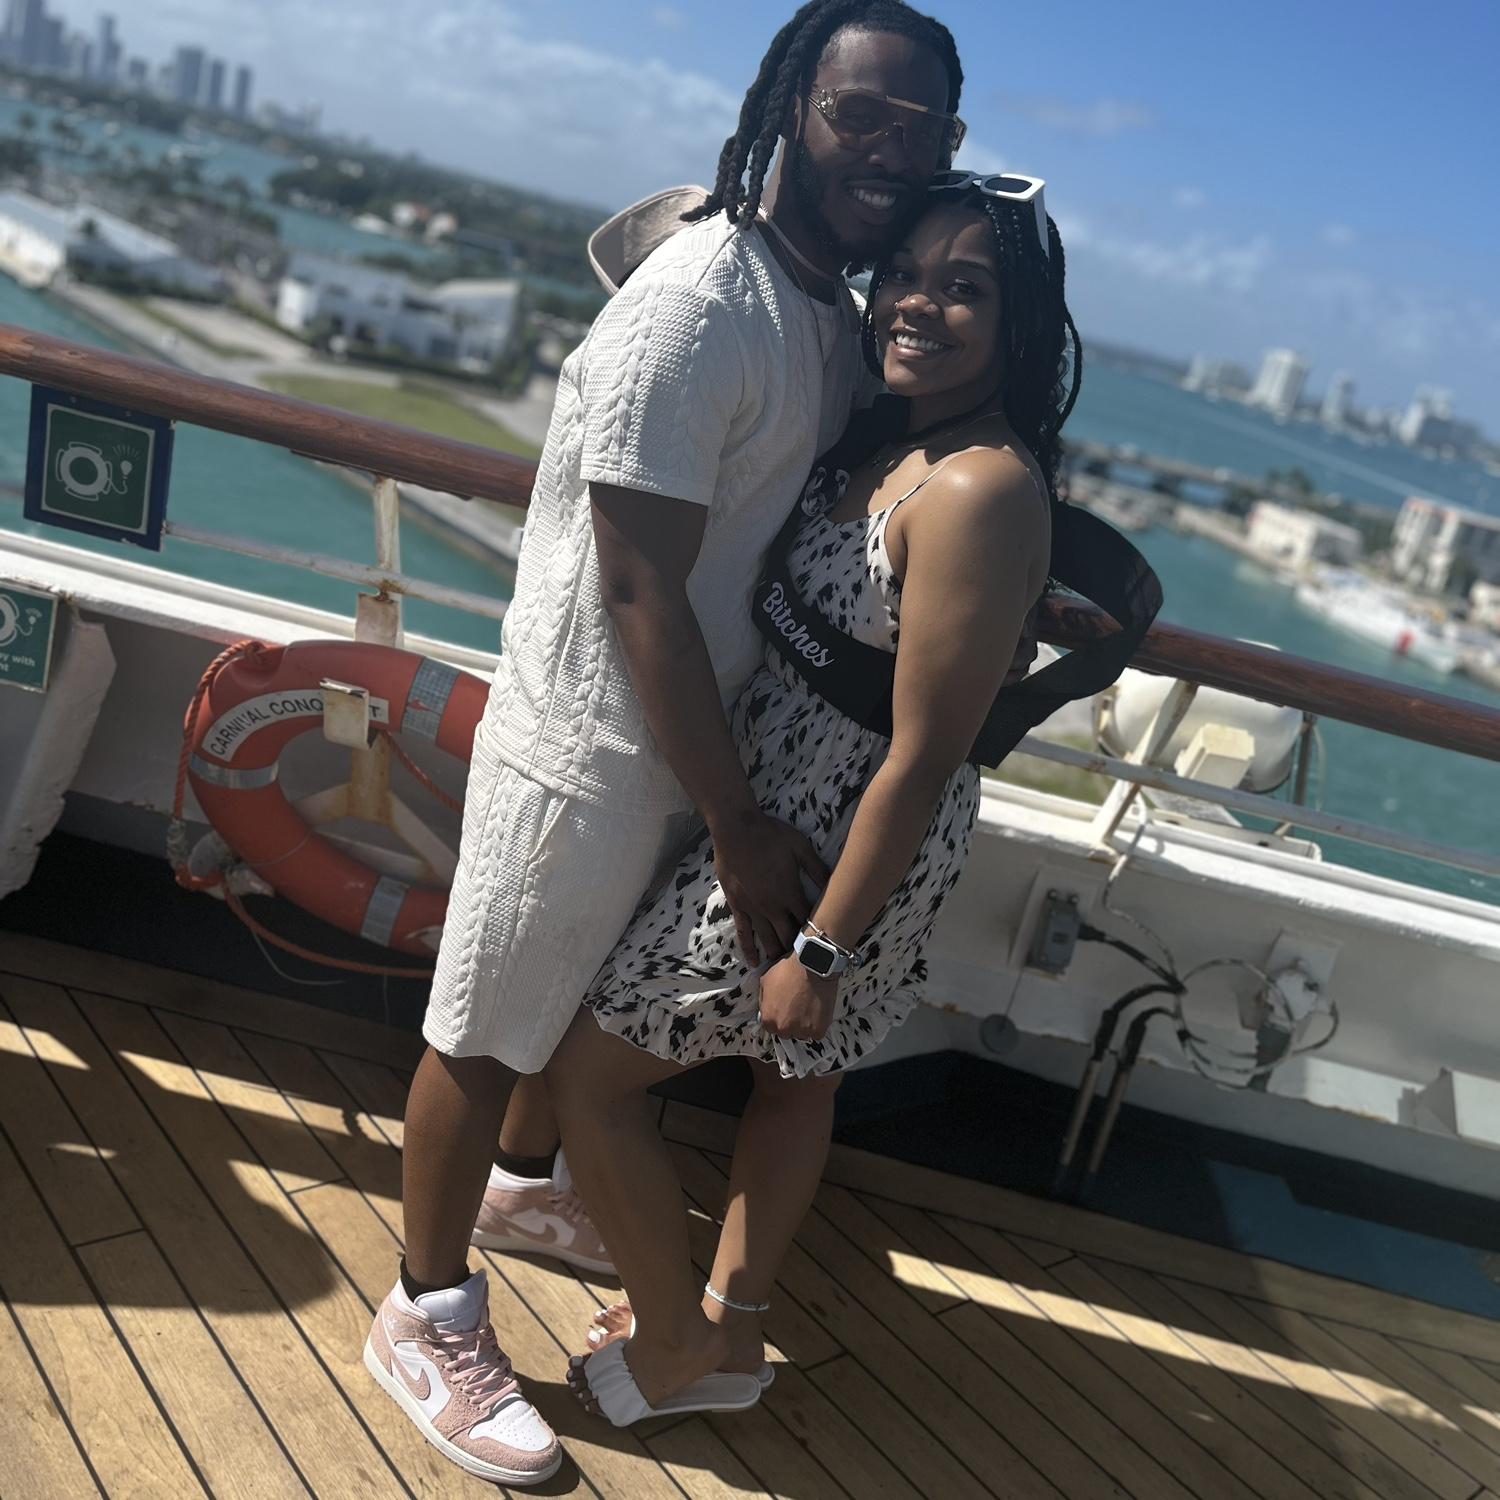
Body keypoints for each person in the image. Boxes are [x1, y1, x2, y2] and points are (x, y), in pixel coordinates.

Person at [362, 1, 967, 1486]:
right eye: (860, 116)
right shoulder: (702, 304)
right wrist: (741, 821)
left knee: (558, 1011)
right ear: (790, 107)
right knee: (484, 1027)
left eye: (924, 131)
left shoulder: (816, 302)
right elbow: (636, 584)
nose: (890, 154)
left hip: (688, 752)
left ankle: (524, 1188)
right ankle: (424, 1310)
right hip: (587, 748)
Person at [552, 171, 1159, 1427]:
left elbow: (924, 755)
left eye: (965, 288)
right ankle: (730, 1335)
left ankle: (674, 1343)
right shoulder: (891, 437)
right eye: (908, 275)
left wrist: (823, 947)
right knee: (798, 1082)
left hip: (842, 837)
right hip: (784, 793)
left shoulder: (981, 491)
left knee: (592, 1080)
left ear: (1021, 328)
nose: (918, 304)